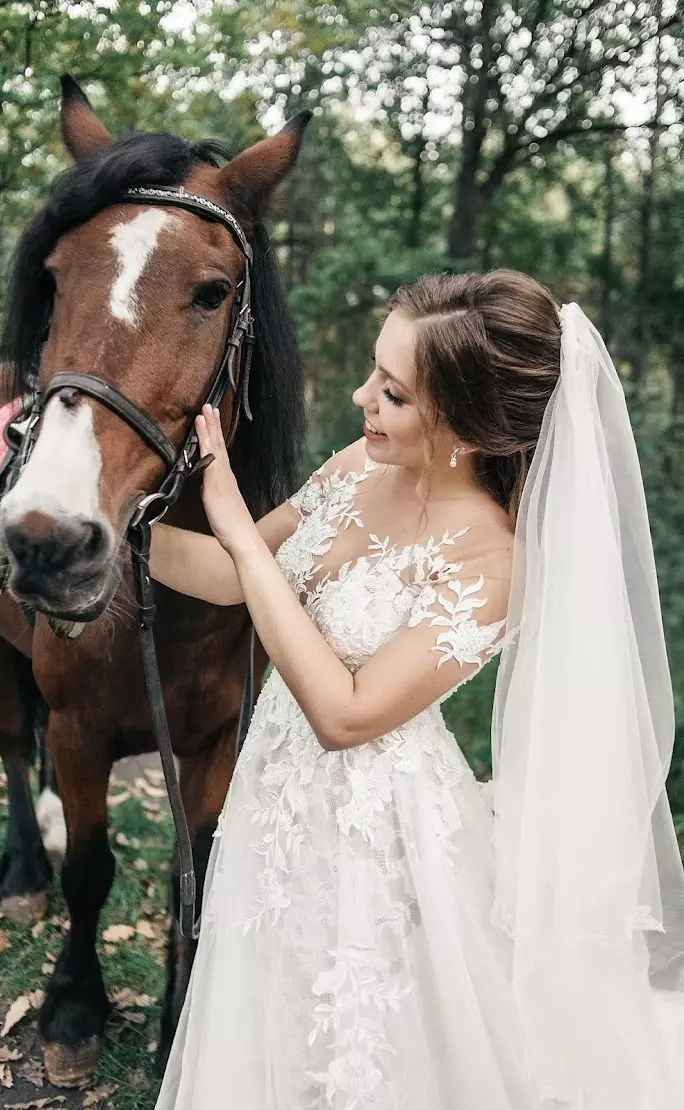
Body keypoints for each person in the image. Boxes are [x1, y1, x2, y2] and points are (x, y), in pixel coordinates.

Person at [149, 269, 684, 1109]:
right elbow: (230, 575)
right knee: (268, 1002)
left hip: (378, 840)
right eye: (375, 373)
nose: (364, 398)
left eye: (392, 393)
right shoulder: (359, 466)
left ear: (465, 423)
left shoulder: (495, 562)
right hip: (276, 795)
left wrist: (240, 538)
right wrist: (109, 530)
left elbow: (346, 713)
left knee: (368, 1041)